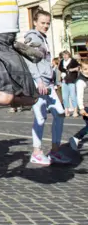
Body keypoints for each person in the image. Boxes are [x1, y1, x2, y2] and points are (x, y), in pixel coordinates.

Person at [24, 9, 70, 165]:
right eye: (42, 23)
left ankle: (55, 151)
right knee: (40, 117)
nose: (46, 26)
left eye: (48, 23)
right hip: (39, 83)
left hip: (48, 82)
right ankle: (36, 153)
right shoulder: (32, 37)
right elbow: (30, 60)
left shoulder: (43, 38)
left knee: (60, 114)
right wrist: (38, 80)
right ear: (35, 22)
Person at [69, 59, 88, 150]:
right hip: (86, 107)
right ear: (81, 69)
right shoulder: (81, 81)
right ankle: (76, 137)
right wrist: (81, 108)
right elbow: (79, 96)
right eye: (85, 69)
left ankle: (76, 138)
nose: (87, 71)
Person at [58, 50, 80, 117]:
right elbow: (60, 68)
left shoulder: (73, 61)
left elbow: (79, 67)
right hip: (64, 80)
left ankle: (75, 111)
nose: (64, 56)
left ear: (69, 55)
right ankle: (66, 111)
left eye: (66, 54)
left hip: (72, 80)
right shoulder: (62, 61)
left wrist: (72, 69)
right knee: (65, 97)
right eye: (63, 55)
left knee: (73, 96)